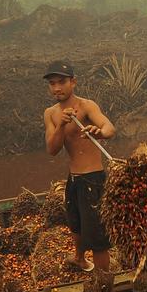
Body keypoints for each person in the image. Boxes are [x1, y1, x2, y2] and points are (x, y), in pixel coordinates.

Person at [41, 59, 117, 272]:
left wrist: (99, 132)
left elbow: (109, 128)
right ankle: (79, 259)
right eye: (52, 83)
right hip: (74, 178)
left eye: (62, 82)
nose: (57, 88)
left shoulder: (86, 106)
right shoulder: (51, 113)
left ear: (73, 82)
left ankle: (103, 280)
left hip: (93, 178)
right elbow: (52, 149)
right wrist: (62, 125)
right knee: (75, 224)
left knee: (97, 238)